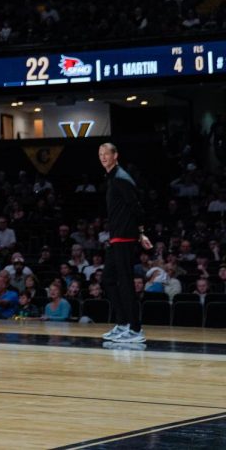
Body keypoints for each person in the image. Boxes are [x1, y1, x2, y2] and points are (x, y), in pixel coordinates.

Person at [99, 142, 152, 344]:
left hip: (125, 238)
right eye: (100, 154)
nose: (103, 157)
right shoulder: (112, 178)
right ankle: (123, 323)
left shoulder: (122, 179)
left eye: (106, 154)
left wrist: (141, 233)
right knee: (108, 280)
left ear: (115, 155)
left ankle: (136, 329)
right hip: (116, 237)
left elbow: (137, 207)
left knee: (125, 283)